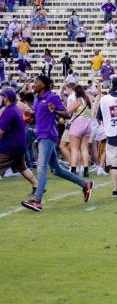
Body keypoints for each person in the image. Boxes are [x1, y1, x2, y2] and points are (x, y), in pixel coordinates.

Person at [22, 75, 94, 212]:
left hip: (48, 134)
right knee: (56, 170)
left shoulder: (52, 97)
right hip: (41, 133)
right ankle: (85, 184)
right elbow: (37, 114)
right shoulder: (37, 98)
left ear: (43, 85)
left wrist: (54, 110)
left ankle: (37, 201)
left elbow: (67, 114)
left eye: (36, 82)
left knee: (42, 167)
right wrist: (30, 115)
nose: (34, 84)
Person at [0, 88, 38, 194]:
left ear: (6, 99)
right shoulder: (16, 109)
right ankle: (37, 186)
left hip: (9, 147)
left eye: (2, 96)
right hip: (20, 146)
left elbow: (1, 131)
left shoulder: (8, 111)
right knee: (23, 168)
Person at [66, 84, 92, 178]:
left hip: (78, 124)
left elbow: (68, 111)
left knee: (74, 149)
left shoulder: (78, 100)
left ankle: (73, 169)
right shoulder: (88, 101)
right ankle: (86, 170)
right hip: (88, 125)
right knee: (84, 149)